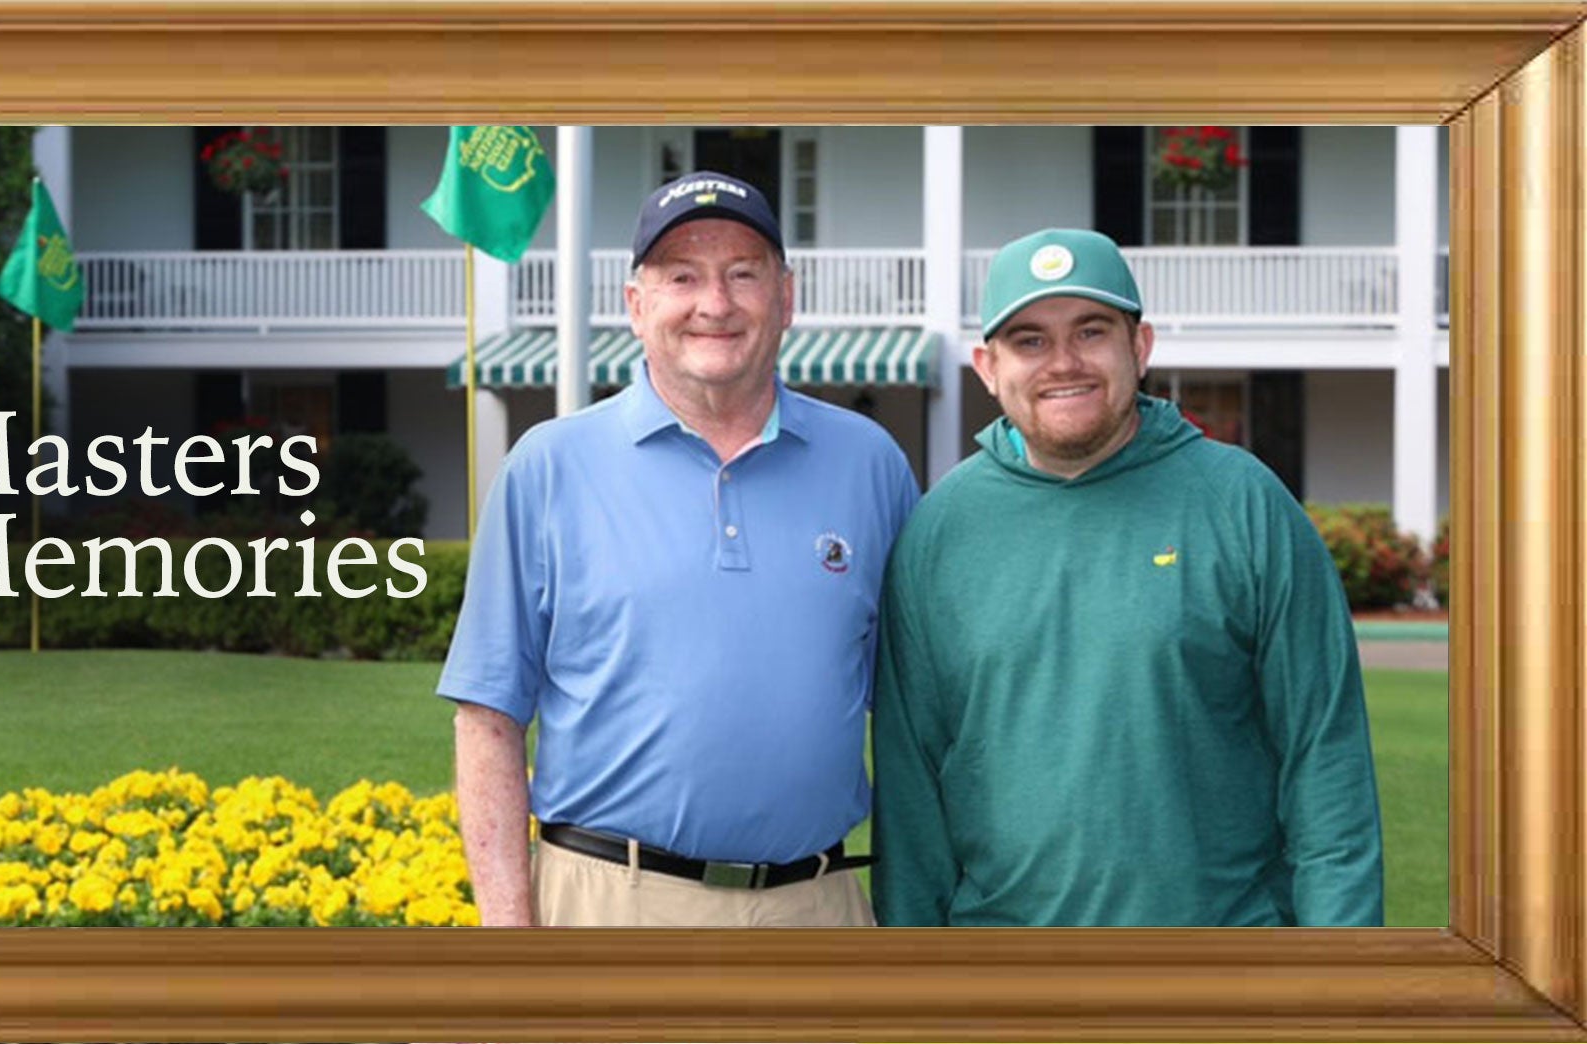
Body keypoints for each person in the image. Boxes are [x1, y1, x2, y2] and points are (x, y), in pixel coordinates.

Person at [438, 171, 919, 927]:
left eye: (742, 274)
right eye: (681, 277)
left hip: (817, 911)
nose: (715, 304)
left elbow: (915, 711)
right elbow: (487, 717)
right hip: (607, 907)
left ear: (785, 299)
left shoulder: (872, 465)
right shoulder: (548, 466)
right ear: (636, 306)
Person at [871, 228, 1383, 927]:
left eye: (1090, 331)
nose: (1063, 363)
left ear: (1139, 348)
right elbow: (911, 797)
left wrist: (1342, 985)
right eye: (1030, 340)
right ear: (987, 367)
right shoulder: (938, 532)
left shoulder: (1244, 503)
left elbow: (1326, 766)